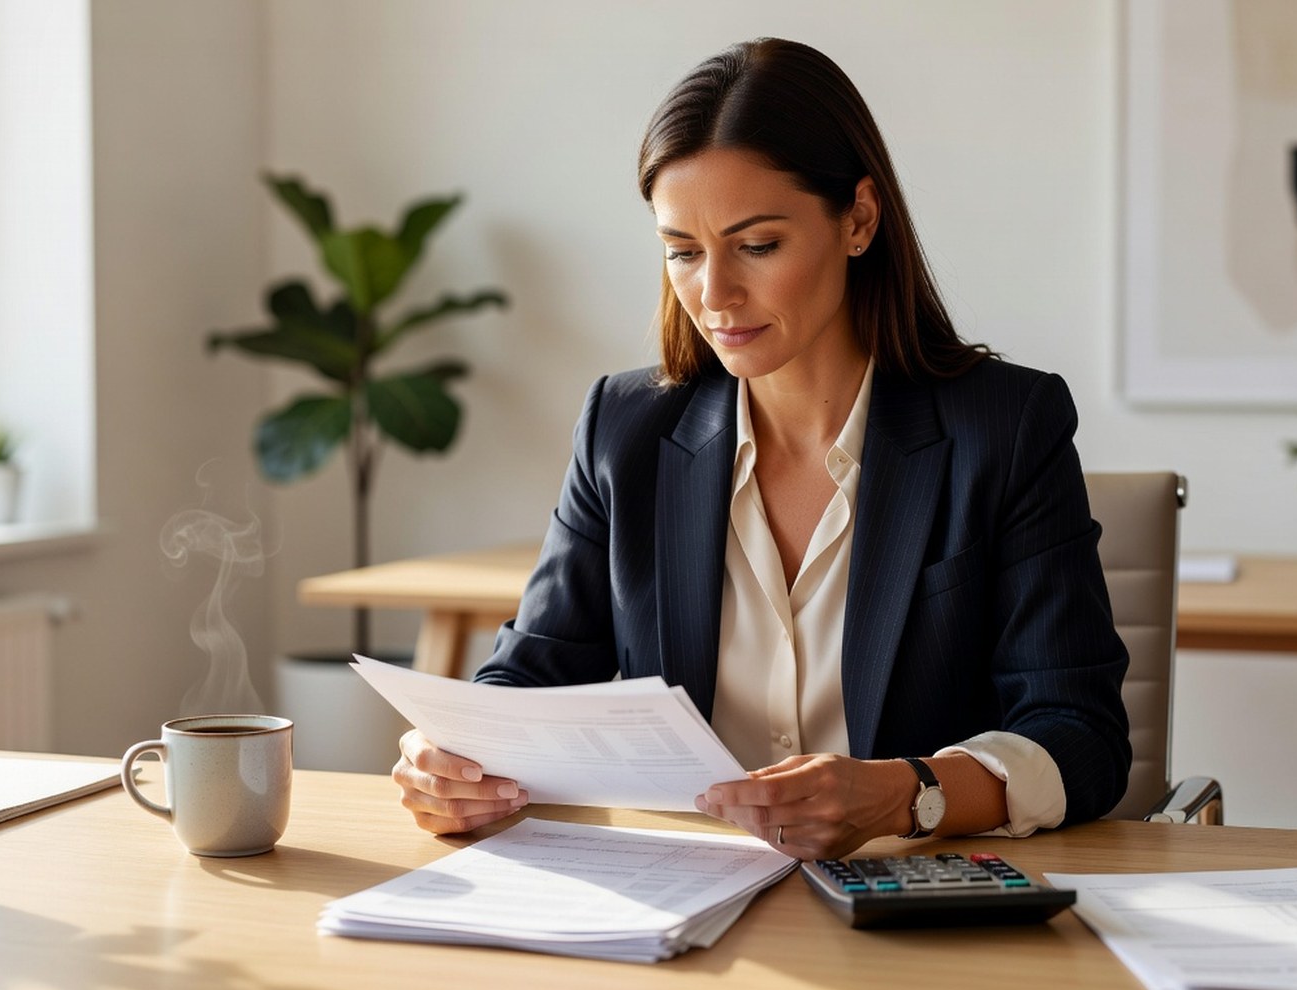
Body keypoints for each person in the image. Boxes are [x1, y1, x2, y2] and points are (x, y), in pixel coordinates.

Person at [393, 37, 1130, 861]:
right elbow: (529, 680)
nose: (714, 295)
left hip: (906, 900)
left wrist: (903, 793)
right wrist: (457, 761)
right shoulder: (624, 430)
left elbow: (1082, 737)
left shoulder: (1005, 426)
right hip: (684, 899)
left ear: (858, 219)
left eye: (758, 245)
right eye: (682, 251)